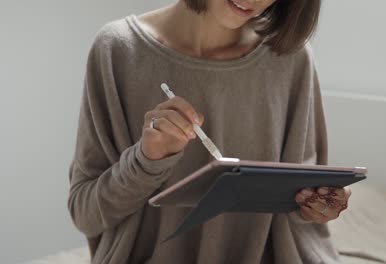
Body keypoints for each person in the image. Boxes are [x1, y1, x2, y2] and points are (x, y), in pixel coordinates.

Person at [68, 0, 352, 263]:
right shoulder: (117, 50)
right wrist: (146, 160)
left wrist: (314, 207)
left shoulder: (291, 59)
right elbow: (86, 214)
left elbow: (300, 206)